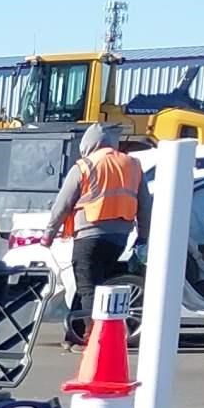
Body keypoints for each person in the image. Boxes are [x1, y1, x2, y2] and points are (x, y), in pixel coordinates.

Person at [46, 123, 142, 345]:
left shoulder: (85, 165)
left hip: (89, 235)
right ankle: (73, 335)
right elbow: (145, 204)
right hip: (119, 238)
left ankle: (94, 339)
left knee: (88, 287)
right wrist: (143, 236)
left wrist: (49, 233)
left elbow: (63, 204)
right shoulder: (133, 165)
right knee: (89, 282)